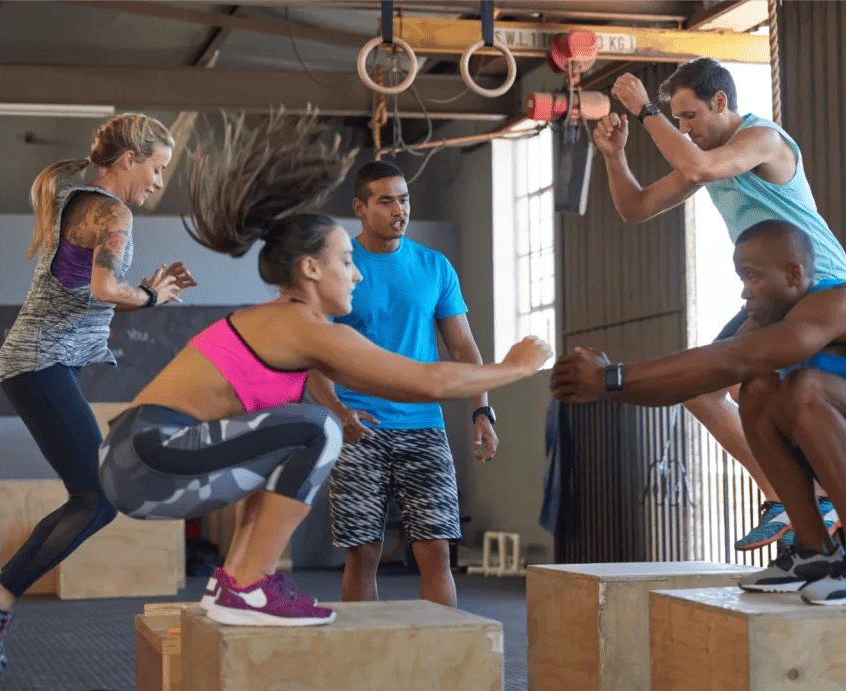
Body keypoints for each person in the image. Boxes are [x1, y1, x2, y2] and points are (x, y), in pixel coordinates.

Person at [97, 111, 552, 627]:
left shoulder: (287, 322)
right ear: (310, 269)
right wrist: (516, 366)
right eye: (344, 262)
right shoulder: (306, 328)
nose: (356, 272)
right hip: (149, 458)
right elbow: (431, 379)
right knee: (316, 428)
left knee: (295, 436)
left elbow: (432, 373)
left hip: (139, 459)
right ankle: (247, 586)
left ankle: (237, 581)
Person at [550, 220, 846, 605]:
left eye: (753, 277)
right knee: (757, 388)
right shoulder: (766, 320)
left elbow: (732, 358)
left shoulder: (843, 305)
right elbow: (696, 383)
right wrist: (607, 387)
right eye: (741, 277)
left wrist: (613, 376)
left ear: (795, 274)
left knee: (803, 387)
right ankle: (814, 554)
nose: (744, 290)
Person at [593, 57, 846, 550]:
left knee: (746, 390)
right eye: (676, 119)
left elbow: (697, 165)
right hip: (772, 296)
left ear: (721, 102)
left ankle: (816, 495)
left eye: (689, 116)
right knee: (703, 392)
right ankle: (787, 497)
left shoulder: (763, 140)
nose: (684, 128)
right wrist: (614, 158)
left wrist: (644, 108)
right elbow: (635, 209)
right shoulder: (706, 158)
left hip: (819, 285)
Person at [0, 113, 197, 671]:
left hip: (42, 363)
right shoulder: (112, 210)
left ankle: (1, 596)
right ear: (129, 160)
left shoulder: (81, 198)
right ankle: (2, 597)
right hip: (40, 364)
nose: (158, 182)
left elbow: (84, 288)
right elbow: (105, 286)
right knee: (99, 498)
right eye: (156, 169)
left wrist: (141, 293)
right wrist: (151, 300)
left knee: (88, 495)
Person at [317, 161, 495, 608]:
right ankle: (365, 663)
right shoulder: (340, 269)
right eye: (386, 201)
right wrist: (340, 413)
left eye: (405, 199)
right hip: (360, 427)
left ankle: (445, 664)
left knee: (436, 549)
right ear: (360, 208)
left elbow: (465, 349)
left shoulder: (435, 267)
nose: (400, 210)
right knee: (363, 553)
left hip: (424, 425)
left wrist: (481, 409)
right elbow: (314, 355)